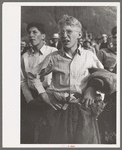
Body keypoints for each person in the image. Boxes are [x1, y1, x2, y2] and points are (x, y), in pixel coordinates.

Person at [31, 14, 108, 144]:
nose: (64, 35)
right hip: (61, 111)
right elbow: (33, 75)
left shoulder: (89, 56)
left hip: (84, 111)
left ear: (79, 35)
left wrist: (92, 88)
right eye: (61, 32)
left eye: (69, 31)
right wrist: (44, 95)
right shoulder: (53, 58)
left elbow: (104, 78)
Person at [21, 22, 57, 143]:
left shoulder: (53, 52)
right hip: (33, 100)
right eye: (29, 32)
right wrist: (30, 100)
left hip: (51, 98)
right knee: (31, 136)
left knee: (51, 135)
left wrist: (48, 96)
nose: (31, 35)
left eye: (35, 32)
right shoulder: (25, 57)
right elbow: (23, 80)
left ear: (43, 36)